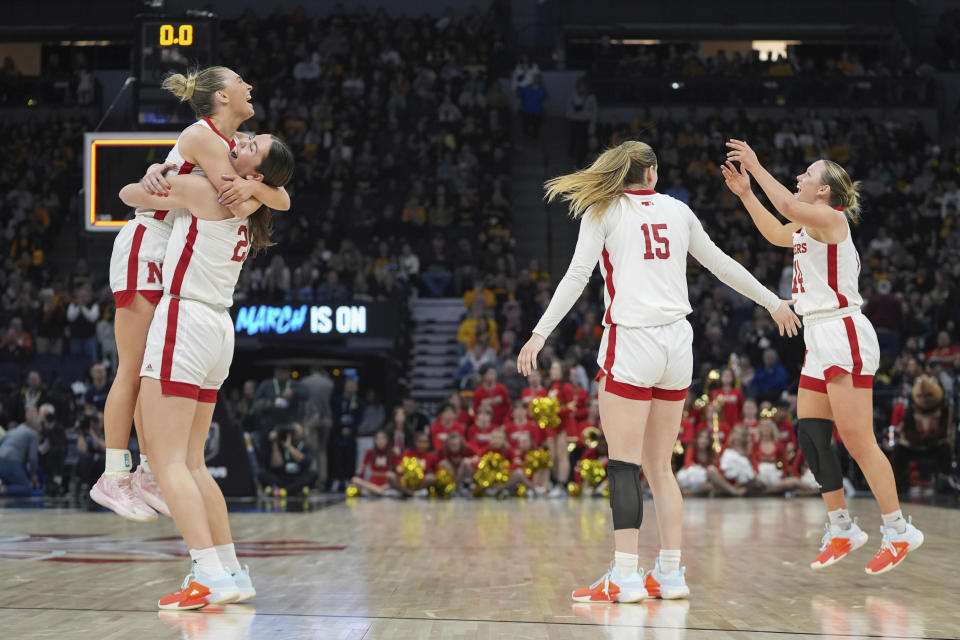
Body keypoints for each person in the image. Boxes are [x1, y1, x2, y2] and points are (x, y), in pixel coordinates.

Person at [517, 140, 800, 603]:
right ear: (650, 174)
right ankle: (671, 572)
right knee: (662, 468)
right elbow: (722, 265)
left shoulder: (602, 211)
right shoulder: (677, 210)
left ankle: (625, 575)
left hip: (634, 340)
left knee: (625, 464)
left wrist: (539, 333)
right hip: (677, 344)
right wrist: (772, 301)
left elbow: (575, 278)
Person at [94, 65, 291, 524]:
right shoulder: (204, 137)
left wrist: (260, 184)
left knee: (149, 369)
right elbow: (234, 202)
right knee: (133, 367)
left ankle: (146, 472)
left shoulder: (227, 145)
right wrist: (258, 187)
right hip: (148, 244)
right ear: (222, 97)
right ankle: (113, 474)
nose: (250, 85)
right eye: (242, 81)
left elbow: (279, 196)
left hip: (171, 250)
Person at [723, 140, 924, 574]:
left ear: (824, 192)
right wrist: (745, 196)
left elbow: (786, 207)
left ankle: (898, 530)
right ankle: (841, 527)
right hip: (818, 334)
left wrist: (756, 166)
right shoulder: (804, 226)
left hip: (842, 329)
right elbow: (776, 232)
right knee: (812, 434)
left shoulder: (831, 220)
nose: (799, 178)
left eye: (807, 176)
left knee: (857, 440)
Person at [118, 125, 294, 609]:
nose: (239, 141)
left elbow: (127, 194)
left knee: (168, 461)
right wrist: (258, 184)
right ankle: (230, 570)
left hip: (185, 318)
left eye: (249, 147)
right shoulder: (253, 201)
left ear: (254, 170)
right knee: (193, 463)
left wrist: (158, 173)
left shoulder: (201, 190)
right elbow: (281, 195)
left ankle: (207, 574)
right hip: (218, 329)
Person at [0, 406, 40, 496]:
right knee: (26, 488)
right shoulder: (33, 434)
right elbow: (33, 458)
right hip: (11, 462)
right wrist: (33, 474)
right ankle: (2, 489)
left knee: (12, 485)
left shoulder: (12, 431)